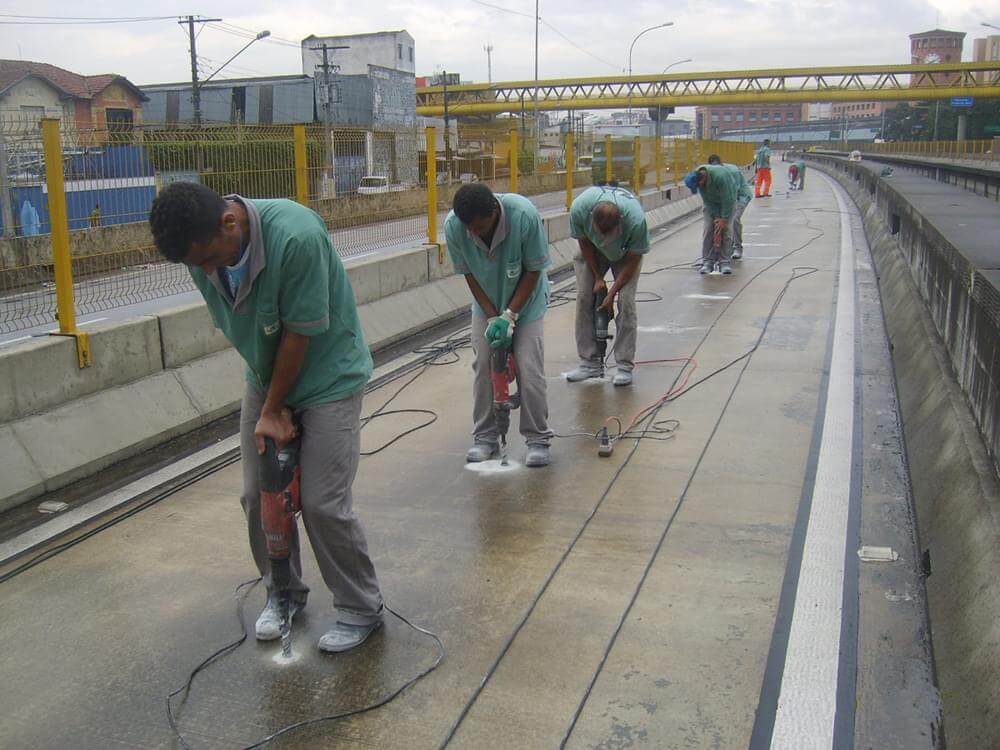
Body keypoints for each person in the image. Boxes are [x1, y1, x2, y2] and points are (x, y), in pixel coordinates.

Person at [148, 182, 384, 654]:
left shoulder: (295, 236)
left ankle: (360, 606)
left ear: (229, 223)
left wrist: (275, 411)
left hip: (328, 375)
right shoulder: (203, 255)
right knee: (259, 497)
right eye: (199, 265)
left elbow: (299, 333)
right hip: (266, 375)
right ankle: (284, 594)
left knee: (321, 503)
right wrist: (269, 402)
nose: (207, 271)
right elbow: (243, 324)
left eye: (210, 258)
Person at [445, 183, 553, 467]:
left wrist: (510, 316)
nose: (474, 234)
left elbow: (533, 269)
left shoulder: (523, 216)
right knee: (483, 366)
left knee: (529, 366)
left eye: (479, 228)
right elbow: (467, 272)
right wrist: (493, 316)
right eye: (469, 228)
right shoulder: (455, 226)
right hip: (486, 302)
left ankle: (538, 438)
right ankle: (485, 438)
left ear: (494, 211)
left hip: (526, 303)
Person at [565, 184, 650, 386]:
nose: (604, 238)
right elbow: (584, 243)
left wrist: (611, 293)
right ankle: (589, 362)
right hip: (592, 252)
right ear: (591, 217)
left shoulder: (635, 221)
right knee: (585, 297)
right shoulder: (579, 209)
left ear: (620, 222)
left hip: (625, 254)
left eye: (608, 233)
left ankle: (624, 365)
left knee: (627, 302)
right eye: (600, 232)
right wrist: (598, 278)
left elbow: (632, 260)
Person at [688, 164, 740, 275]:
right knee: (708, 229)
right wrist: (716, 216)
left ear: (702, 179)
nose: (699, 187)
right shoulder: (699, 179)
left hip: (729, 202)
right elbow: (707, 201)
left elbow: (728, 199)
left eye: (699, 185)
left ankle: (724, 262)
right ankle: (707, 262)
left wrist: (724, 219)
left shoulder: (720, 176)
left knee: (727, 231)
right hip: (712, 205)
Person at [706, 154, 752, 260]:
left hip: (740, 197)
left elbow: (732, 194)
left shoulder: (733, 171)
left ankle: (737, 248)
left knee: (734, 219)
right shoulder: (712, 174)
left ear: (721, 164)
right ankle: (725, 248)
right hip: (726, 198)